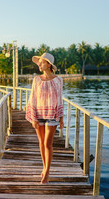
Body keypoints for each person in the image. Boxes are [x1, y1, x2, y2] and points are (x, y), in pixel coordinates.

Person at [26, 52, 64, 184]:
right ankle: (44, 166)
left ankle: (47, 173)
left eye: (42, 63)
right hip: (39, 114)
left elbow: (60, 99)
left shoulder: (58, 80)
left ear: (49, 64)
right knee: (41, 143)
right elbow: (33, 98)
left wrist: (61, 117)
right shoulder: (36, 80)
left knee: (48, 143)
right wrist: (33, 117)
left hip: (52, 115)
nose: (39, 65)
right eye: (39, 63)